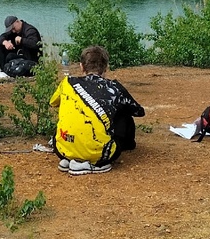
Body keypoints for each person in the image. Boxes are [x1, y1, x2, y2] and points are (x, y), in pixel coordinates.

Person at [51, 45, 145, 175]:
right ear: (105, 68)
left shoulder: (67, 82)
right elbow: (138, 111)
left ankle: (69, 157)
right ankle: (92, 163)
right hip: (100, 155)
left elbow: (53, 103)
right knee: (123, 114)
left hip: (60, 149)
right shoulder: (114, 87)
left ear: (81, 66)